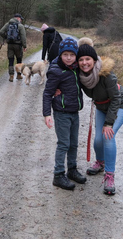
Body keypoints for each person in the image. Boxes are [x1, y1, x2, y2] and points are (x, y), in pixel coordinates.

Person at [76, 38, 123, 196]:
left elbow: (116, 99)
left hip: (120, 104)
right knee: (98, 140)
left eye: (88, 59)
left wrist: (109, 123)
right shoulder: (80, 76)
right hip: (101, 106)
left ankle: (110, 176)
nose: (85, 63)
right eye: (81, 59)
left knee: (108, 136)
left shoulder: (106, 74)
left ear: (94, 60)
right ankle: (100, 162)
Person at [43, 37, 86, 190]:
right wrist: (47, 114)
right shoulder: (56, 71)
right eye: (65, 54)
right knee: (64, 144)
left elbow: (91, 64)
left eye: (72, 55)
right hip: (61, 113)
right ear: (60, 54)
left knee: (74, 143)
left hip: (74, 112)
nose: (68, 58)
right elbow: (47, 93)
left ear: (76, 55)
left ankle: (72, 169)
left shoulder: (76, 67)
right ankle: (58, 174)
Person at [0, 13, 27, 82]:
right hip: (18, 45)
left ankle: (11, 75)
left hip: (10, 45)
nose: (21, 20)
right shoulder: (20, 26)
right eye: (21, 19)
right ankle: (19, 75)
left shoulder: (8, 24)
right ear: (18, 18)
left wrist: (6, 37)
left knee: (11, 60)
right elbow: (23, 37)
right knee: (19, 60)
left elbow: (1, 32)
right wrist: (24, 46)